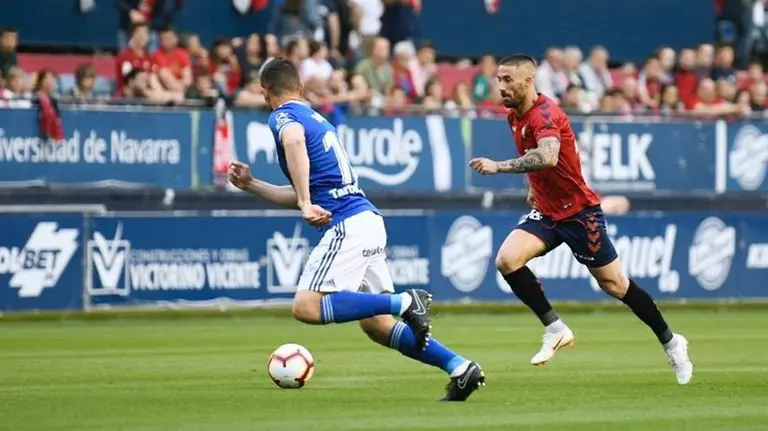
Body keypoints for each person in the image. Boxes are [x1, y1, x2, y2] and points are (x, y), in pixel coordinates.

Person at [227, 58, 485, 401]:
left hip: (348, 224)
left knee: (307, 306)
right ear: (301, 86)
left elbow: (292, 143)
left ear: (264, 92)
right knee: (377, 324)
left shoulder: (284, 116)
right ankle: (460, 367)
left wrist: (305, 202)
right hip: (366, 221)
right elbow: (306, 187)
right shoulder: (318, 120)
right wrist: (252, 185)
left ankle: (406, 301)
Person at [468, 54, 693, 385]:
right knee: (507, 259)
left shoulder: (544, 114)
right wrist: (534, 187)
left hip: (578, 213)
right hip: (547, 210)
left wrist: (498, 166)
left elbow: (547, 156)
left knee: (615, 284)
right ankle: (555, 328)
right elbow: (538, 160)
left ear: (528, 81)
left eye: (506, 80)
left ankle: (672, 342)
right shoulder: (514, 115)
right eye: (498, 79)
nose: (499, 86)